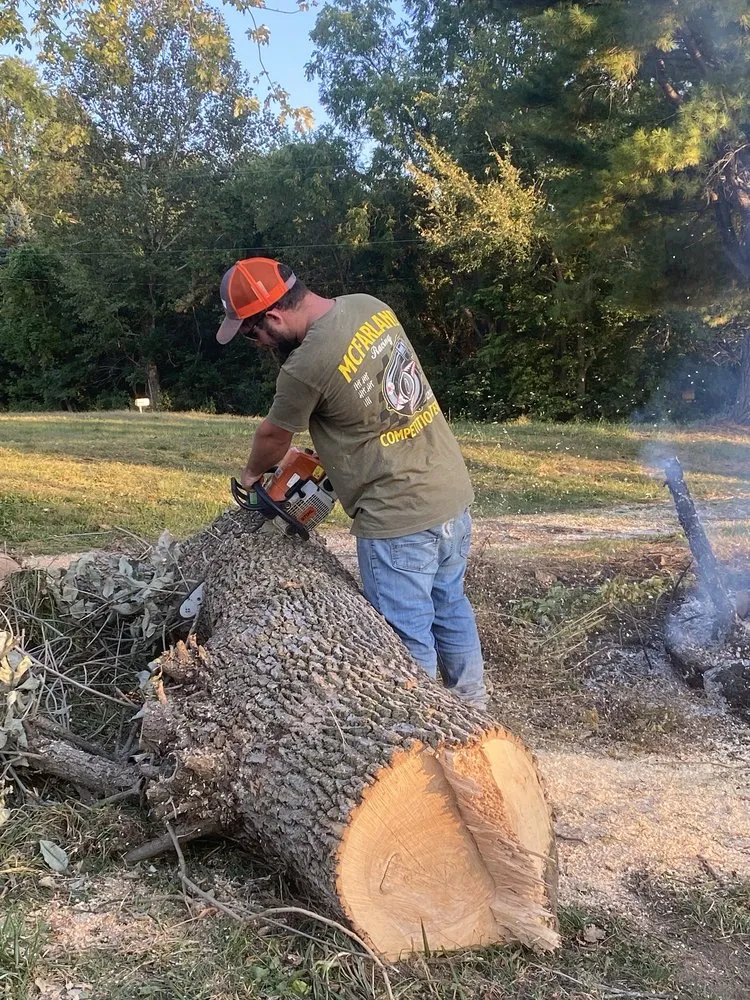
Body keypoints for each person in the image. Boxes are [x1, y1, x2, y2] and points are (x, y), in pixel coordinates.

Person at [216, 256, 487, 709]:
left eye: (251, 332)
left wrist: (251, 474)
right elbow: (376, 394)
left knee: (404, 639)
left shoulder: (305, 364)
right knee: (451, 607)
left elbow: (272, 435)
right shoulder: (368, 306)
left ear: (274, 315)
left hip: (397, 516)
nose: (256, 343)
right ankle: (474, 710)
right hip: (449, 493)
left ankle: (420, 732)